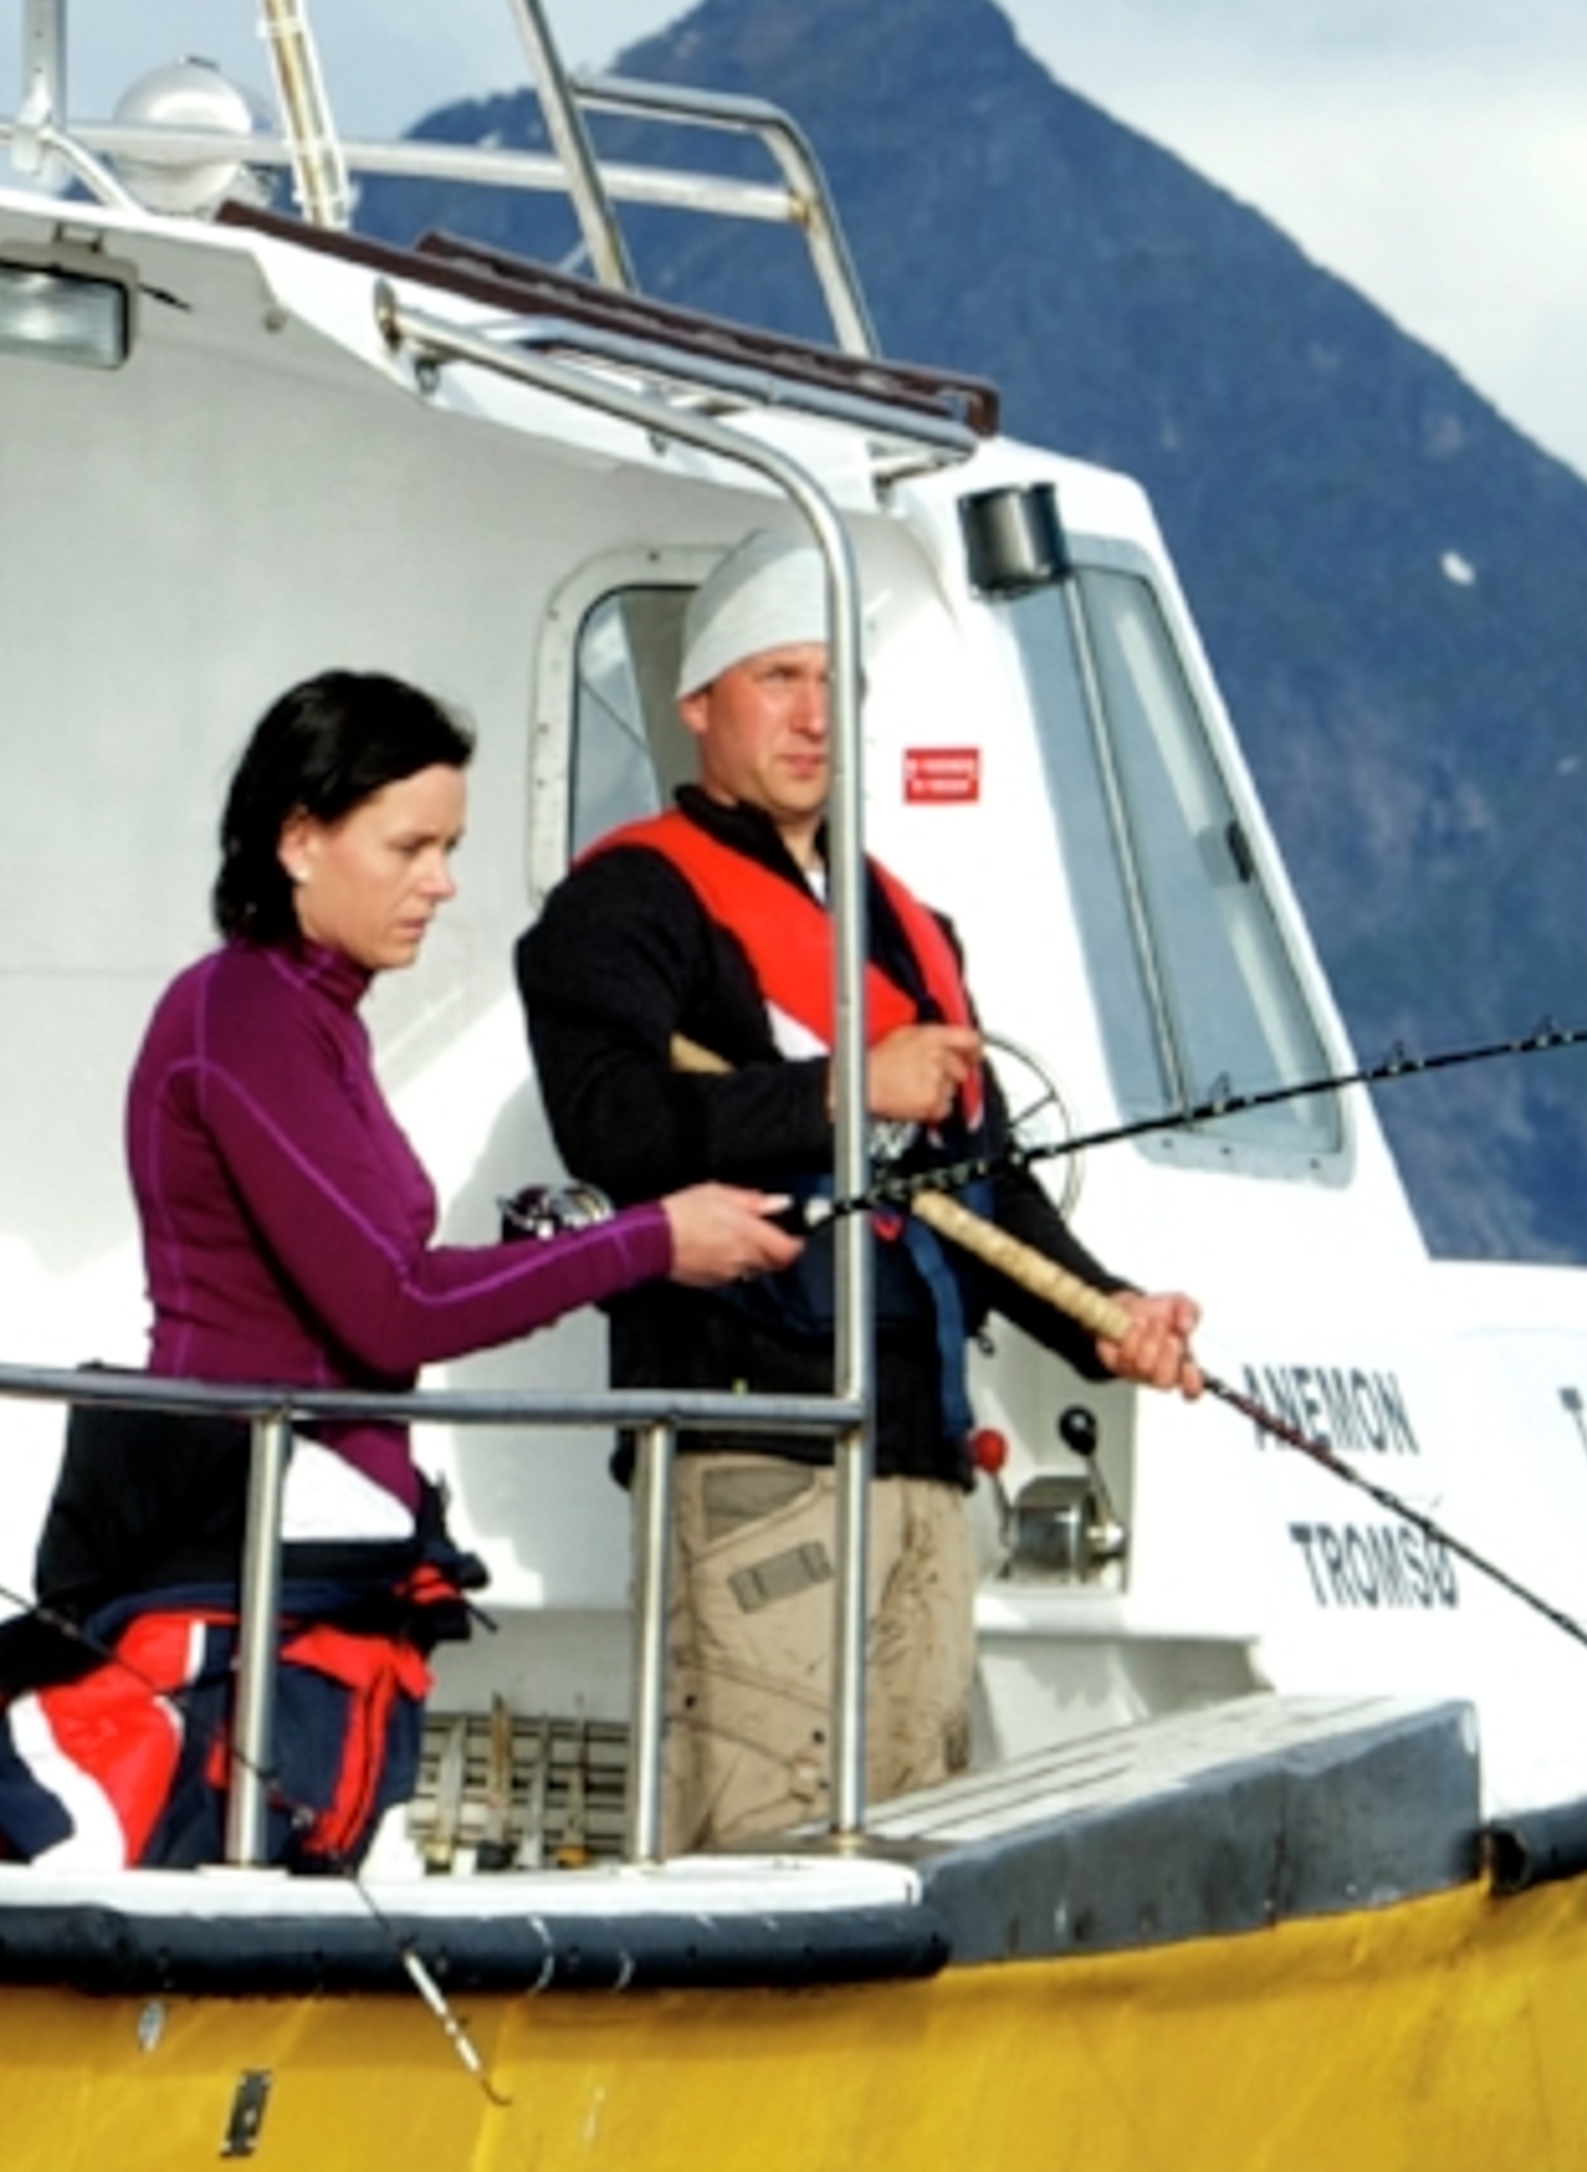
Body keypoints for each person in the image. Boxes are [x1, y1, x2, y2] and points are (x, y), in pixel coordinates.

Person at [517, 517, 1202, 1849]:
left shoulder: (912, 926)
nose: (814, 717)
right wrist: (846, 1089)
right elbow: (608, 1125)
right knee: (757, 1843)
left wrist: (1109, 1317)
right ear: (699, 701)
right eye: (780, 678)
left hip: (923, 1462)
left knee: (916, 1848)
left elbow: (991, 1189)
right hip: (751, 1458)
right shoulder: (629, 906)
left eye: (836, 684)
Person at [125, 667, 800, 1523]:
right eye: (410, 849)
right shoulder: (246, 1015)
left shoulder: (305, 1014)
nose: (441, 882)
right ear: (298, 842)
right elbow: (394, 1309)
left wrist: (566, 1248)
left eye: (449, 849)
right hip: (239, 1530)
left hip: (312, 1521)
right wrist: (652, 1241)